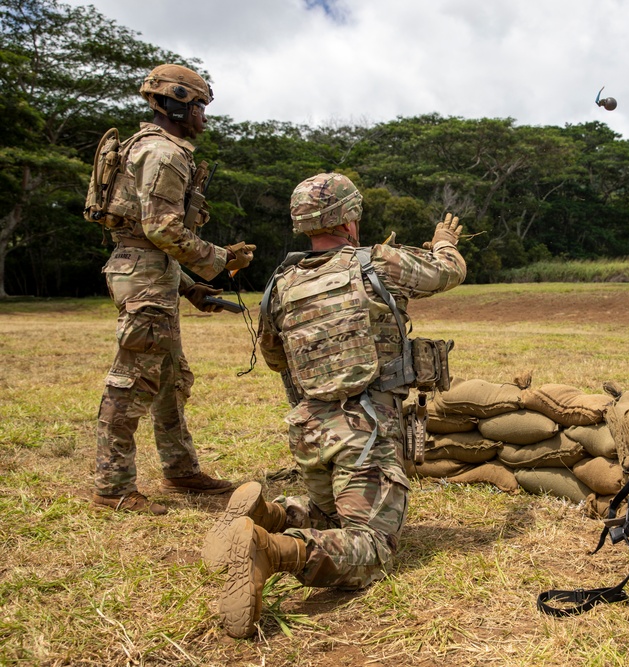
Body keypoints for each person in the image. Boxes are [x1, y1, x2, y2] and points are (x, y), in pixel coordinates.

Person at [202, 172, 466, 639]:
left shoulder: (281, 283)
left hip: (308, 430)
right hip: (365, 429)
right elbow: (448, 273)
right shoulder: (377, 263)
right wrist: (444, 242)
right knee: (372, 547)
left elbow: (274, 357)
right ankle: (270, 550)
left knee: (331, 517)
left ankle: (270, 514)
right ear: (350, 218)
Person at [92, 64, 257, 516]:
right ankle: (113, 487)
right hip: (146, 275)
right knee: (133, 381)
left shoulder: (150, 148)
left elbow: (149, 240)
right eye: (200, 107)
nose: (204, 118)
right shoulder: (164, 154)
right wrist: (221, 260)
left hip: (150, 271)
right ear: (175, 105)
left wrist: (189, 288)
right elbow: (161, 229)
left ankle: (180, 469)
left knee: (168, 380)